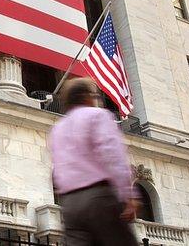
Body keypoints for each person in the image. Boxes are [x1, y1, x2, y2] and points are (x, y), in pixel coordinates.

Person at [47, 78, 137, 246]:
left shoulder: (57, 129)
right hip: (99, 199)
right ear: (87, 97)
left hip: (70, 205)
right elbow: (113, 156)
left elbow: (57, 170)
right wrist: (128, 196)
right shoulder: (98, 115)